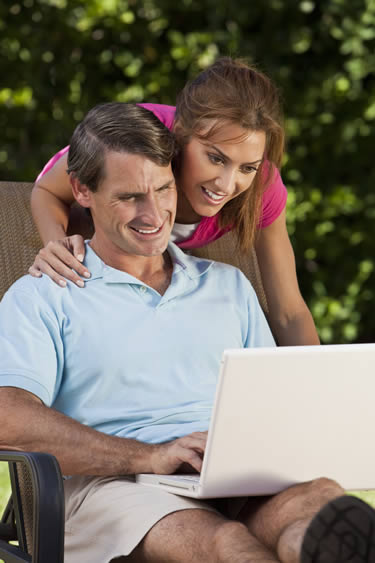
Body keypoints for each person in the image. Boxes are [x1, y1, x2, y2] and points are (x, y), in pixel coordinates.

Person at [1, 102, 374, 563]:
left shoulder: (228, 285)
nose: (154, 213)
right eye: (129, 197)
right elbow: (7, 417)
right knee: (224, 544)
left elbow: (273, 400)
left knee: (318, 509)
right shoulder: (45, 294)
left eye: (163, 189)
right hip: (114, 486)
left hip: (228, 474)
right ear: (81, 190)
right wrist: (146, 456)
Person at [29, 57, 320, 346]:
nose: (227, 185)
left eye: (247, 168)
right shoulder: (137, 141)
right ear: (179, 134)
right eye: (216, 158)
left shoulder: (263, 187)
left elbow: (289, 312)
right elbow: (49, 189)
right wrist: (56, 247)